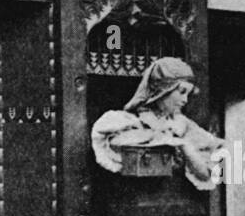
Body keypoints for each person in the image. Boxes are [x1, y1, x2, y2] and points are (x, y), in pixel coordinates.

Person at [91, 57, 224, 189]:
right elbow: (116, 146)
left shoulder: (182, 124)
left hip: (177, 203)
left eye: (188, 94)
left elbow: (206, 175)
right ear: (162, 90)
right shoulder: (128, 120)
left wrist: (184, 145)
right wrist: (160, 138)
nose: (185, 100)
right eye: (181, 92)